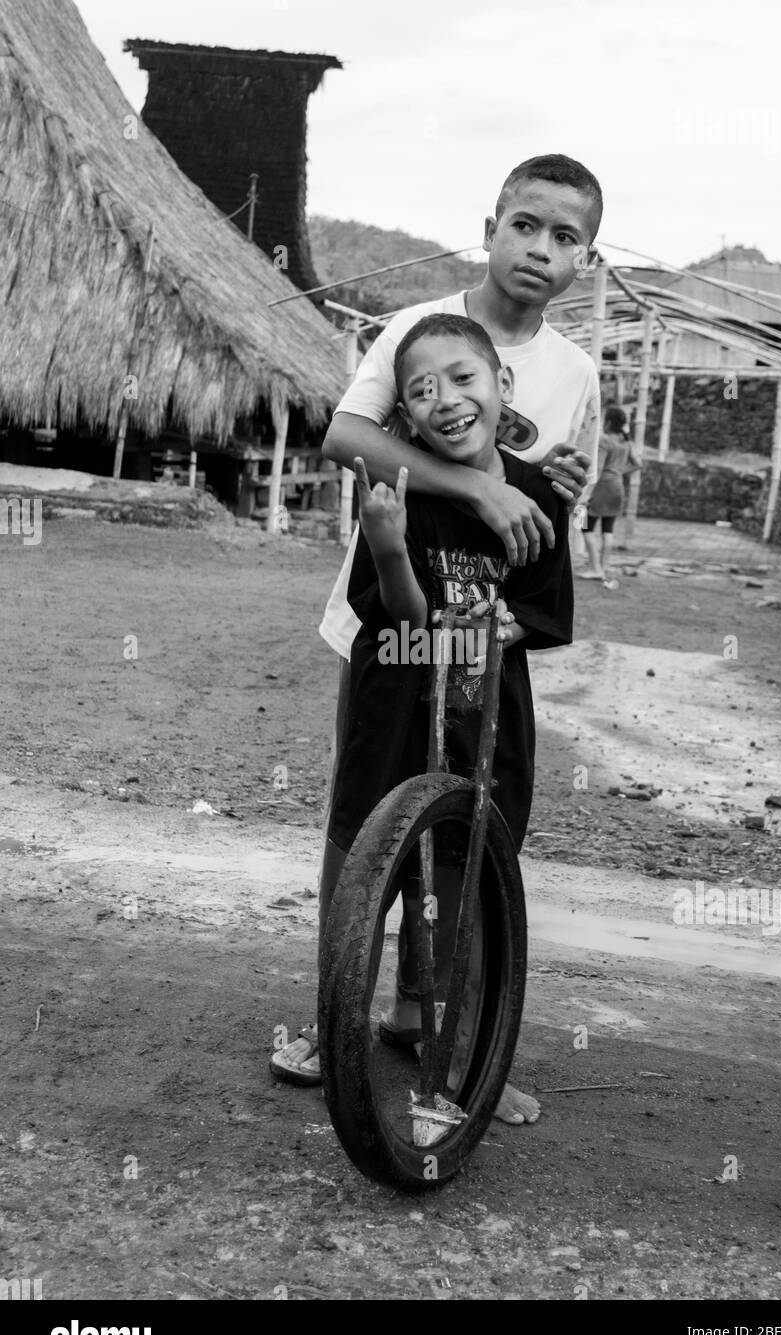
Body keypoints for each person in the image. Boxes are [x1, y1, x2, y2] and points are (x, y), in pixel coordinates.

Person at [272, 154, 603, 1120]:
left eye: (564, 236)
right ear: (491, 225)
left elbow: (550, 505)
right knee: (364, 821)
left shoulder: (574, 369)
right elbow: (347, 436)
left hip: (484, 648)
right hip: (393, 619)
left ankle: (442, 1031)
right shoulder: (414, 330)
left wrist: (556, 491)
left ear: (588, 256)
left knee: (466, 830)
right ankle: (333, 1013)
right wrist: (481, 487)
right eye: (524, 226)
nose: (539, 250)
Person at [317, 313, 574, 1124]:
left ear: (503, 385)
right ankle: (335, 1034)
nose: (446, 401)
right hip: (393, 714)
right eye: (421, 390)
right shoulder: (405, 490)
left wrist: (506, 626)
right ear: (402, 415)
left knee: (467, 899)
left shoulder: (537, 496)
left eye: (464, 378)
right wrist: (388, 545)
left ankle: (466, 1065)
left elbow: (543, 610)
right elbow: (398, 620)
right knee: (361, 873)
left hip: (481, 722)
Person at [579, 405, 641, 582]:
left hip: (601, 487)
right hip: (618, 487)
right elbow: (638, 464)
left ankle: (595, 568)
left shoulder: (604, 440)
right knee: (608, 529)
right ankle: (603, 568)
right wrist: (619, 471)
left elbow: (596, 470)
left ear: (609, 422)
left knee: (585, 527)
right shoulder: (626, 442)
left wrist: (585, 495)